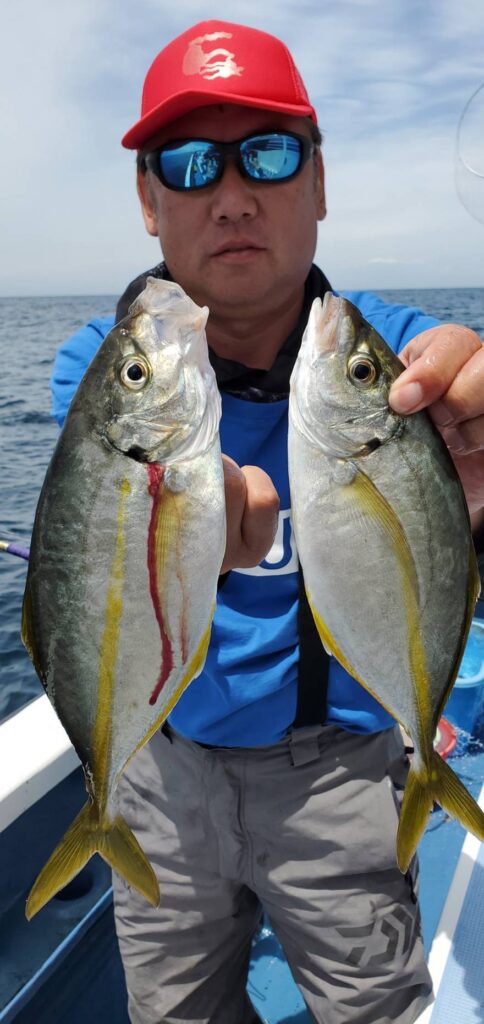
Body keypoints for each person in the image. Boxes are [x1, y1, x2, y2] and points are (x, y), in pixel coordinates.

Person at [51, 20, 484, 1024]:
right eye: (189, 163)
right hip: (160, 771)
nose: (233, 195)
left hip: (344, 770)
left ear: (320, 182)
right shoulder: (104, 371)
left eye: (271, 154)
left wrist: (467, 433)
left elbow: (452, 376)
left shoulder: (390, 359)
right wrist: (188, 526)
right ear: (149, 201)